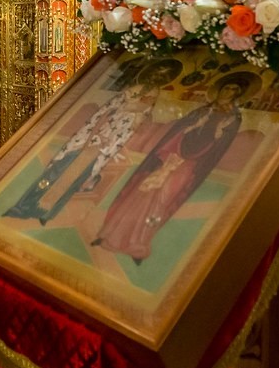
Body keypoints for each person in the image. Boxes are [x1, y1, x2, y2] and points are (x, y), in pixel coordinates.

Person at [91, 72, 253, 263]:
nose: (229, 92)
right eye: (227, 87)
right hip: (170, 155)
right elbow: (179, 130)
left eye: (234, 90)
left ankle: (139, 244)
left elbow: (219, 147)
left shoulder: (233, 118)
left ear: (238, 94)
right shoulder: (202, 111)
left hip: (190, 165)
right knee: (138, 193)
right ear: (220, 89)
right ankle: (109, 235)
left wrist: (217, 134)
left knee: (163, 199)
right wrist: (192, 128)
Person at [4, 59, 182, 225]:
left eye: (163, 75)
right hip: (92, 136)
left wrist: (133, 115)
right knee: (56, 171)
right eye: (157, 72)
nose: (156, 78)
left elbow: (137, 118)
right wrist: (97, 132)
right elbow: (108, 110)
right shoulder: (132, 91)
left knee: (76, 177)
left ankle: (46, 212)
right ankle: (22, 207)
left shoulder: (149, 99)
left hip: (107, 142)